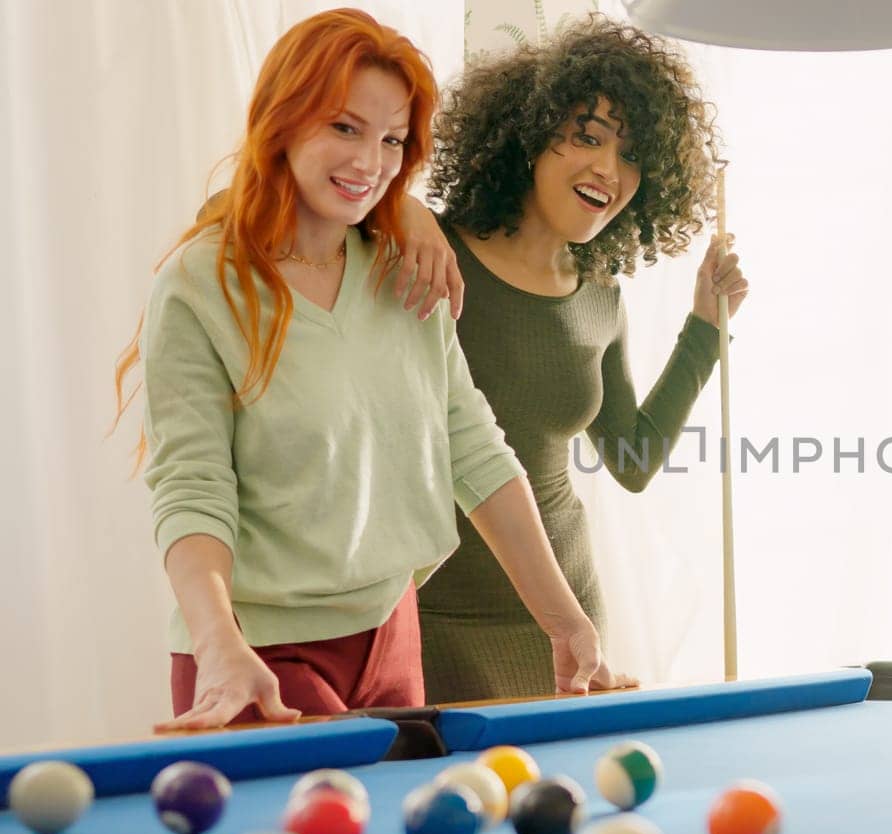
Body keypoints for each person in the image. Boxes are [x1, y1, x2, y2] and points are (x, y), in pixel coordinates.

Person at [112, 8, 631, 731]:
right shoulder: (201, 287)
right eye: (344, 128)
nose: (369, 162)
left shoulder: (407, 272)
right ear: (284, 119)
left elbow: (474, 448)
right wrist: (218, 645)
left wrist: (565, 621)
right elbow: (192, 490)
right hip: (259, 654)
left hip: (394, 636)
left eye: (392, 140)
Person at [397, 16, 749, 702]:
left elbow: (633, 459)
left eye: (631, 155)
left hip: (569, 621)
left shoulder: (599, 299)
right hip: (436, 618)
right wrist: (399, 208)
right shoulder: (429, 251)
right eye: (587, 137)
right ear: (527, 135)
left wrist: (704, 328)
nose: (608, 171)